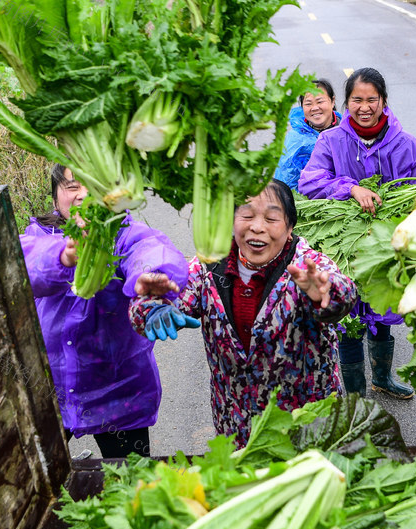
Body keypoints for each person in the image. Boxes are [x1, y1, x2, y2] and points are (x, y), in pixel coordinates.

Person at [130, 180, 357, 449]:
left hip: (306, 424)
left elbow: (343, 294)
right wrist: (151, 307)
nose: (257, 227)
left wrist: (325, 294)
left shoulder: (306, 266)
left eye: (271, 218)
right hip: (236, 426)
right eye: (246, 215)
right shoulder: (210, 267)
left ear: (290, 227)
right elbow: (162, 296)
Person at [20, 164, 193, 457]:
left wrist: (151, 276)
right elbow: (26, 265)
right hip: (51, 386)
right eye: (72, 187)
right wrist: (64, 255)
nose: (83, 196)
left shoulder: (125, 234)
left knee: (128, 478)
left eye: (94, 186)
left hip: (117, 389)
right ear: (55, 195)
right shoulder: (39, 236)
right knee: (42, 478)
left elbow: (150, 250)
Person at [298, 67, 416, 399]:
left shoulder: (405, 143)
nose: (365, 107)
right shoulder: (331, 140)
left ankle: (382, 378)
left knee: (383, 307)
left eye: (372, 99)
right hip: (344, 243)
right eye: (357, 99)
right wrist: (351, 188)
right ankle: (355, 394)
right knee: (349, 318)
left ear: (384, 101)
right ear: (347, 101)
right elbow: (309, 182)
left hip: (387, 244)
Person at [274, 79, 342, 190]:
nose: (315, 108)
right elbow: (285, 180)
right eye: (308, 103)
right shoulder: (295, 139)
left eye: (320, 102)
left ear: (332, 101)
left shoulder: (347, 132)